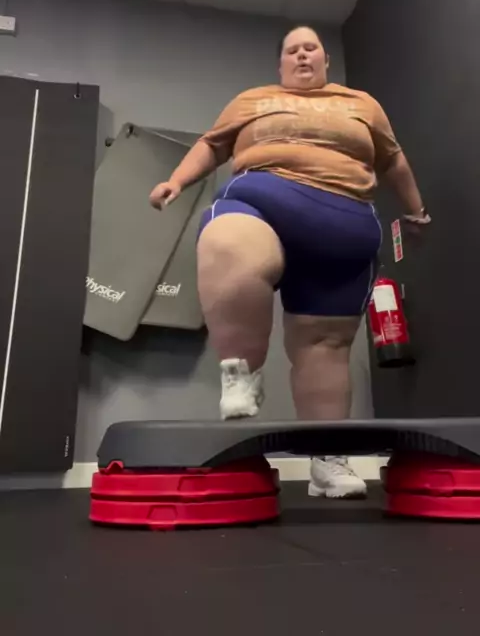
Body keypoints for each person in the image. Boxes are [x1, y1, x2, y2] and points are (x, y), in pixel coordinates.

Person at [150, 26, 430, 499]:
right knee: (230, 248)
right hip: (264, 199)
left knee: (325, 346)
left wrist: (417, 210)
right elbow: (213, 144)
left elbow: (393, 160)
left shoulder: (362, 104)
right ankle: (241, 374)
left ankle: (327, 461)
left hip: (344, 227)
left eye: (311, 48)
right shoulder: (252, 100)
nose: (302, 55)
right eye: (292, 50)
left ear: (325, 60)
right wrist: (176, 181)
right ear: (281, 64)